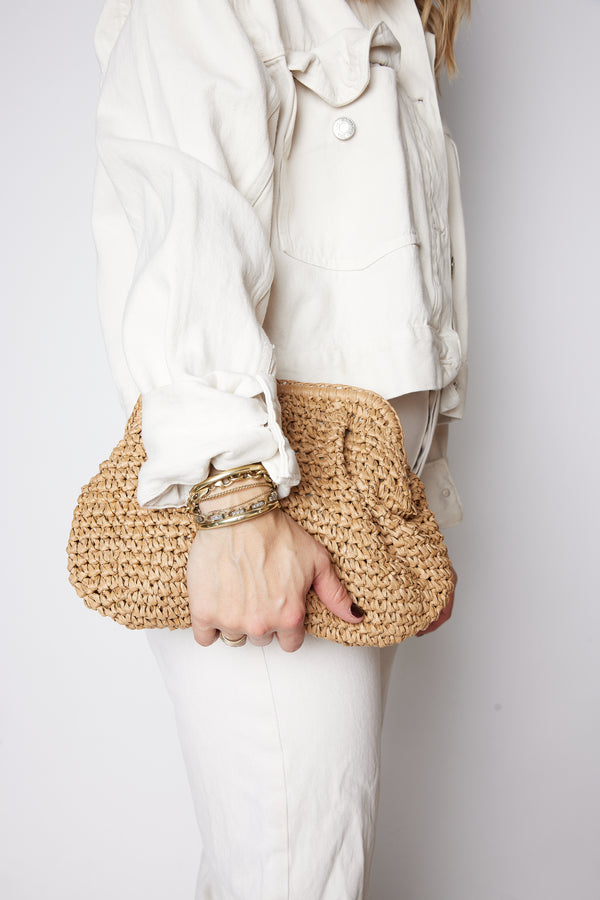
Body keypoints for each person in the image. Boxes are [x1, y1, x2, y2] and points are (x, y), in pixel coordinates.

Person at [91, 0, 470, 896]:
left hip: (353, 512)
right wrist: (233, 502)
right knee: (293, 874)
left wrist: (411, 509)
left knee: (294, 867)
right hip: (267, 507)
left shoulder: (397, 20)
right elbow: (182, 209)